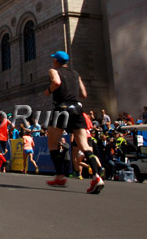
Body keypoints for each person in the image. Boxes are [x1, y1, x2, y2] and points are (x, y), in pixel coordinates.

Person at [44, 51, 104, 194]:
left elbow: (56, 82)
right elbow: (83, 94)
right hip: (77, 108)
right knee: (84, 145)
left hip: (62, 108)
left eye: (53, 60)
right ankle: (97, 176)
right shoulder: (76, 74)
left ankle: (59, 175)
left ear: (56, 61)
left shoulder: (54, 70)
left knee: (52, 143)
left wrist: (48, 91)